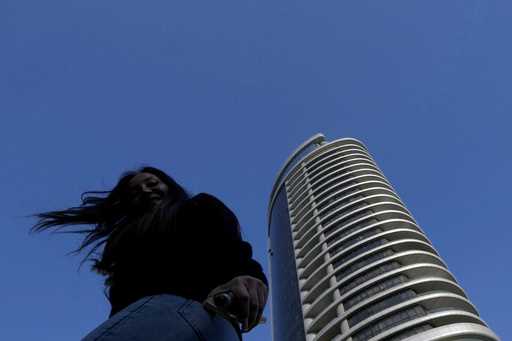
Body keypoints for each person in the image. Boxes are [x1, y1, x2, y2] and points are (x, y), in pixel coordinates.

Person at [30, 166, 269, 340]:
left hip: (187, 312)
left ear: (169, 185)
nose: (146, 189)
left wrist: (250, 276)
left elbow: (230, 247)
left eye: (153, 183)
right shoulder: (128, 244)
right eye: (136, 191)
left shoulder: (197, 207)